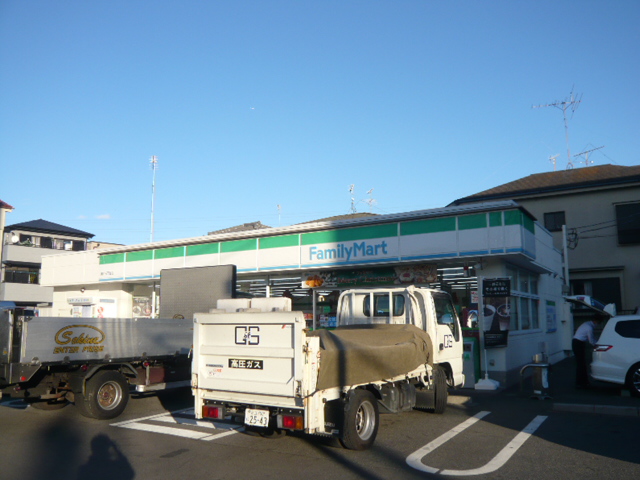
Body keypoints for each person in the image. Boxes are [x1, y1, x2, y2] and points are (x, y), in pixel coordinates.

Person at [572, 316, 604, 388]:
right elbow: (591, 340)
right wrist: (597, 345)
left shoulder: (586, 324)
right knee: (581, 364)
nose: (598, 325)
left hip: (577, 342)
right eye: (598, 323)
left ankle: (582, 381)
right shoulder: (589, 327)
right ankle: (581, 382)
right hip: (578, 343)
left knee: (581, 363)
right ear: (596, 321)